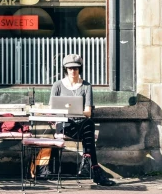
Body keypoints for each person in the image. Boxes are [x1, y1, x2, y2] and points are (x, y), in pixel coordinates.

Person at [50, 53, 116, 186]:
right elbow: (52, 109)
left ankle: (88, 161)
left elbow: (88, 112)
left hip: (82, 124)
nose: (73, 71)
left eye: (76, 68)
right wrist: (70, 112)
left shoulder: (86, 86)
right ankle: (94, 169)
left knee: (88, 124)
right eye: (70, 68)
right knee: (89, 129)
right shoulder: (57, 85)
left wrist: (76, 112)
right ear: (65, 69)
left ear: (80, 69)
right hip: (65, 124)